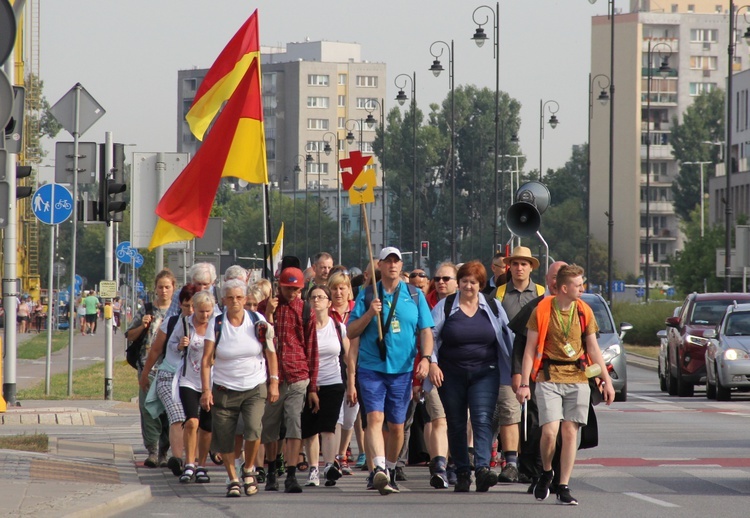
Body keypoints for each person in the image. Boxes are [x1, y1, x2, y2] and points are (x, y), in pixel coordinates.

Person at [517, 264, 615, 506]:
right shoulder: (541, 311)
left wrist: (607, 380)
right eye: (578, 285)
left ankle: (564, 485)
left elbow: (592, 348)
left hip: (578, 377)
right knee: (549, 432)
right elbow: (529, 349)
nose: (582, 288)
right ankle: (547, 471)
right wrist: (524, 382)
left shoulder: (584, 311)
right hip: (549, 377)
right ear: (563, 287)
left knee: (570, 433)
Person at [347, 247, 434, 495]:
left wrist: (426, 358)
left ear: (401, 266)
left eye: (396, 261)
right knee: (374, 419)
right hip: (372, 367)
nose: (392, 265)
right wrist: (368, 314)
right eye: (388, 261)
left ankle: (391, 468)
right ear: (380, 266)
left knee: (397, 427)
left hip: (403, 369)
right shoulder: (366, 295)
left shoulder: (415, 295)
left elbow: (426, 331)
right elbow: (351, 332)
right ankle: (380, 470)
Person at [428, 261, 514, 492]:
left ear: (481, 285)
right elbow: (430, 337)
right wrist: (432, 364)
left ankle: (483, 469)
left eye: (473, 282)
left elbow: (508, 338)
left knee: (482, 419)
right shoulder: (445, 306)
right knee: (455, 423)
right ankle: (462, 471)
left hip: (485, 372)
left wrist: (518, 371)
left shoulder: (493, 307)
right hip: (451, 374)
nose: (468, 286)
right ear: (458, 283)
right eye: (464, 281)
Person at [201, 278, 280, 498]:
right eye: (230, 298)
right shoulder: (216, 324)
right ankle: (233, 478)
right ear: (224, 300)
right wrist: (206, 390)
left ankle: (248, 469)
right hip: (224, 389)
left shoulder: (257, 320)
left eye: (239, 297)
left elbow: (271, 352)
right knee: (225, 437)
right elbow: (207, 359)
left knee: (254, 429)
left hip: (254, 386)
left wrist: (273, 382)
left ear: (245, 299)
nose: (235, 302)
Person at [261, 267, 319, 494]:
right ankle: (273, 471)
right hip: (271, 377)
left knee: (294, 423)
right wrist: (268, 315)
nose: (293, 293)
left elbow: (312, 349)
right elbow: (259, 340)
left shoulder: (305, 310)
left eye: (297, 289)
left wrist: (313, 387)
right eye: (288, 288)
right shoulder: (264, 306)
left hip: (297, 375)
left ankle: (292, 474)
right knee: (270, 427)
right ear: (279, 286)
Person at [493, 245, 545, 483]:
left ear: (531, 268)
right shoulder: (500, 293)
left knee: (531, 417)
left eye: (524, 264)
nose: (519, 268)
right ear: (509, 267)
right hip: (506, 362)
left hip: (536, 364)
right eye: (515, 264)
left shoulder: (541, 293)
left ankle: (527, 465)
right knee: (509, 414)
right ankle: (509, 460)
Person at [140, 283, 199, 478]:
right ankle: (177, 459)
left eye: (193, 306)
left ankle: (193, 460)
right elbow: (156, 349)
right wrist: (145, 373)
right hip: (169, 375)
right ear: (180, 305)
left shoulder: (208, 324)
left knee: (194, 420)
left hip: (194, 378)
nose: (190, 311)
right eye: (186, 306)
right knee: (177, 415)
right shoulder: (172, 322)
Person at [300, 285, 349, 487]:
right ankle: (313, 469)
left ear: (329, 303)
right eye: (313, 297)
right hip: (309, 383)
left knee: (329, 426)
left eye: (321, 297)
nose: (317, 300)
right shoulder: (304, 327)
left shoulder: (338, 327)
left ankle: (329, 465)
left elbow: (348, 356)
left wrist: (352, 382)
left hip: (333, 381)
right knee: (310, 429)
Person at [126, 270, 175, 468]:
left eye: (167, 287)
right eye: (160, 287)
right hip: (148, 366)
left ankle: (165, 450)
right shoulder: (146, 310)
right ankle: (152, 450)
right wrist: (143, 326)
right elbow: (129, 335)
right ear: (155, 288)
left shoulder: (177, 312)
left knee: (167, 411)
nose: (163, 291)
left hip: (171, 367)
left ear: (173, 288)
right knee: (148, 409)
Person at [174, 290, 215, 484]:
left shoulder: (217, 325)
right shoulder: (184, 323)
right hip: (189, 379)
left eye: (208, 311)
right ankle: (189, 463)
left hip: (212, 381)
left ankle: (202, 465)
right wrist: (180, 345)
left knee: (207, 427)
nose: (205, 315)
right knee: (192, 422)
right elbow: (173, 345)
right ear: (194, 309)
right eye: (201, 312)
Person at [328, 271, 362, 476]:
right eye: (334, 288)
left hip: (356, 368)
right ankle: (335, 458)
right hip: (333, 367)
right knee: (336, 415)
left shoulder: (357, 311)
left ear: (349, 290)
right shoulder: (325, 310)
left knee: (351, 415)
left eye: (342, 288)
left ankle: (343, 453)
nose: (339, 292)